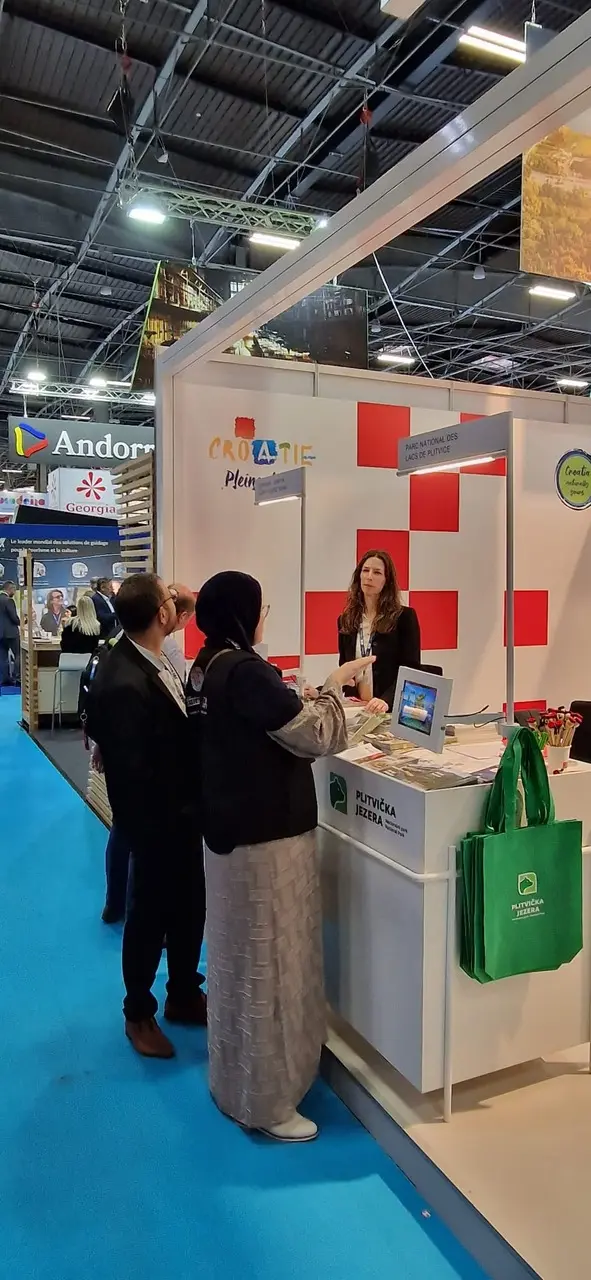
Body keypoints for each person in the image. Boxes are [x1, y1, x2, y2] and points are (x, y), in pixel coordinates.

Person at [188, 570, 374, 1143]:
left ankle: (235, 1080)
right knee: (271, 964)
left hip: (227, 836)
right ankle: (268, 1102)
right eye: (261, 608)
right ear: (242, 613)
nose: (265, 617)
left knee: (237, 964)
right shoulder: (246, 672)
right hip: (265, 842)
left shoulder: (207, 664)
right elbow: (314, 736)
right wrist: (334, 687)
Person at [85, 573, 206, 1058]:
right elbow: (132, 771)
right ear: (161, 614)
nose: (175, 601)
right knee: (148, 917)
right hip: (156, 823)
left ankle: (183, 992)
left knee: (189, 909)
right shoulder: (123, 678)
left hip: (183, 817)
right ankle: (138, 1012)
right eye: (168, 597)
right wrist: (154, 829)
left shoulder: (154, 658)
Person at [100, 583, 196, 926]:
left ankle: (122, 904)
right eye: (168, 596)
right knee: (149, 901)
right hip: (156, 810)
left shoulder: (142, 655)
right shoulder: (129, 674)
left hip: (157, 808)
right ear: (163, 614)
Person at [337, 549, 421, 713]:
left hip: (388, 710)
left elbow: (411, 671)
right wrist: (321, 691)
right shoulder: (346, 620)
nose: (369, 577)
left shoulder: (404, 617)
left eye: (377, 572)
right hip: (357, 710)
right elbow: (345, 669)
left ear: (386, 581)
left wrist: (386, 700)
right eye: (365, 570)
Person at [0, 581, 20, 686]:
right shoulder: (9, 601)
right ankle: (18, 678)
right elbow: (13, 617)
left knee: (2, 657)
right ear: (10, 589)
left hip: (1, 634)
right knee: (18, 655)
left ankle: (5, 679)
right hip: (11, 633)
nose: (15, 592)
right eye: (14, 590)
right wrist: (22, 622)